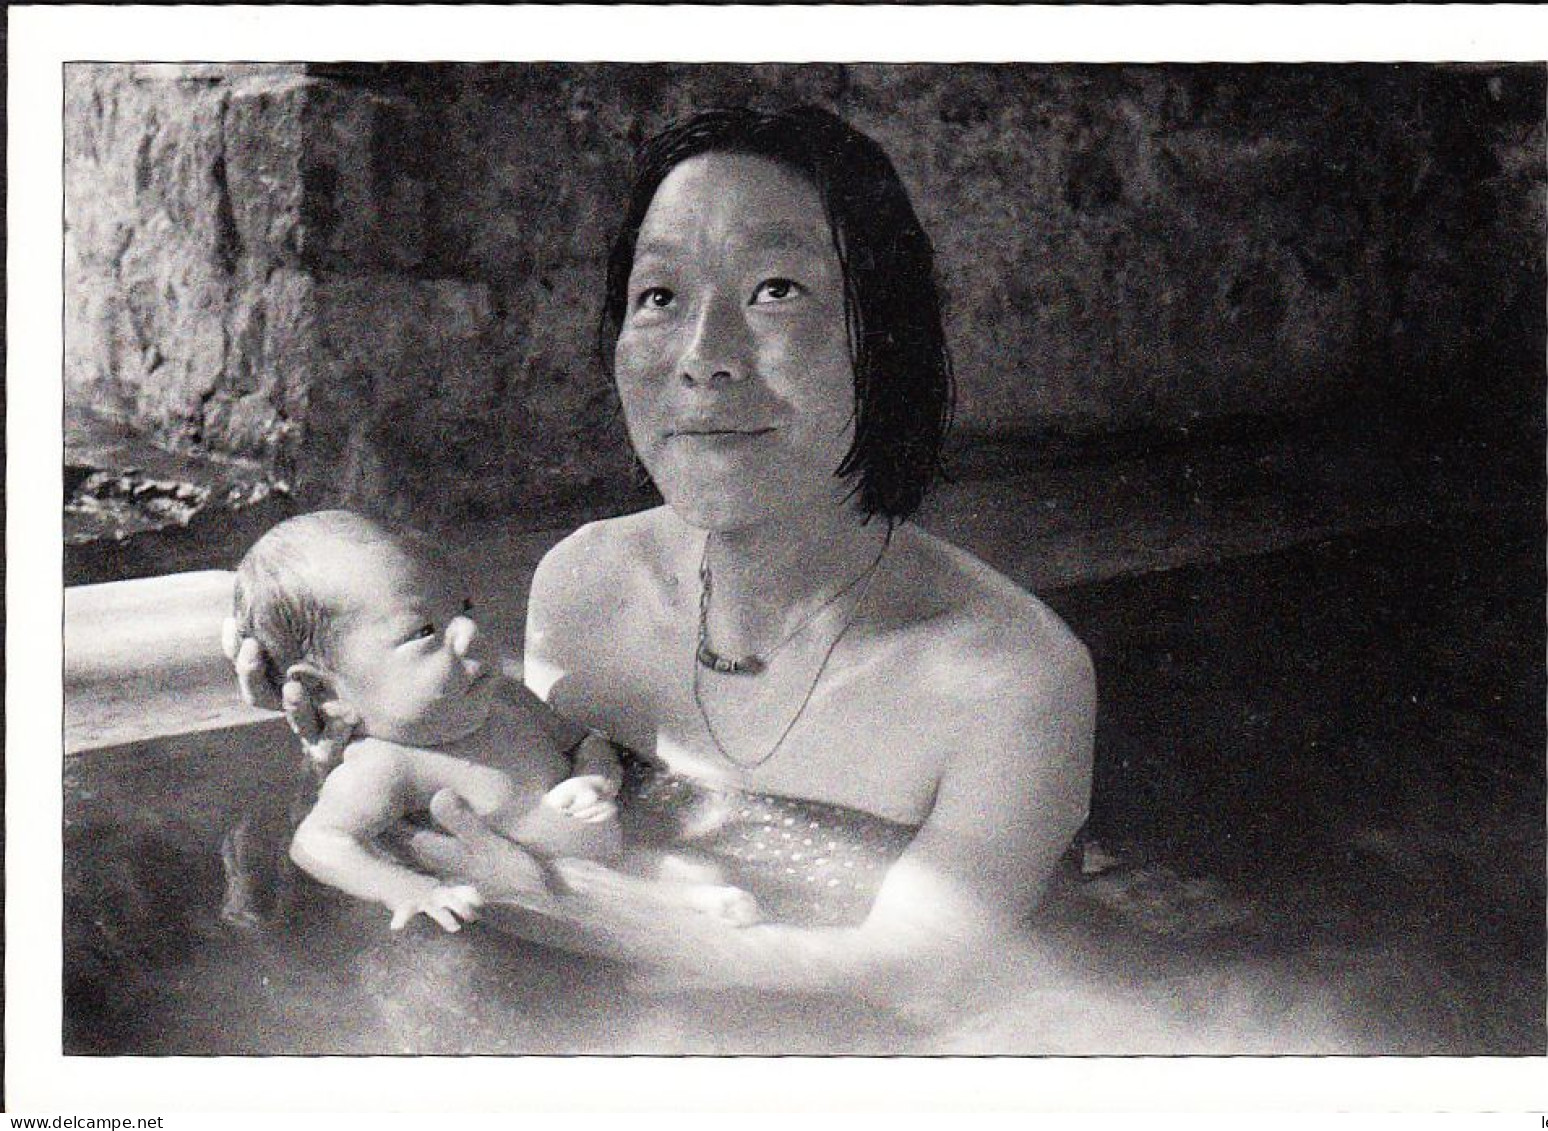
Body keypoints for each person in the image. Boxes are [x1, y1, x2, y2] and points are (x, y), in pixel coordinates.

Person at [229, 105, 1095, 999]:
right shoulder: (586, 583)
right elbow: (470, 783)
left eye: (774, 289)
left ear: (885, 337)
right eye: (659, 296)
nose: (701, 356)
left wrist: (582, 903)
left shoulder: (1014, 680)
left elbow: (913, 989)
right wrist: (341, 723)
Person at [229, 509, 760, 933]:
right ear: (327, 692)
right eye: (422, 632)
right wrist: (407, 890)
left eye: (464, 607)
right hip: (550, 900)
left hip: (609, 858)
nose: (470, 632)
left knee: (705, 877)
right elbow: (317, 844)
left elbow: (585, 741)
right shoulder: (387, 767)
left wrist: (595, 778)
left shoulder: (506, 701)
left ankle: (693, 908)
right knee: (689, 906)